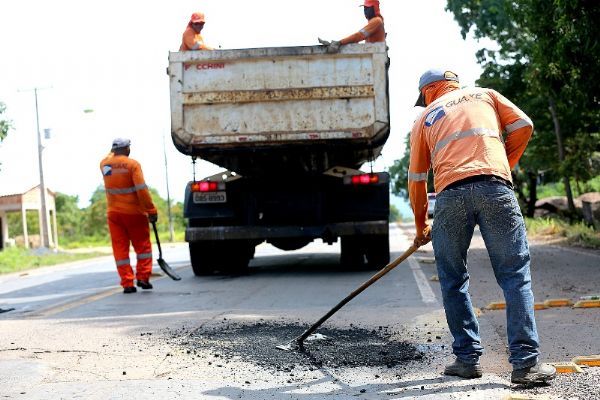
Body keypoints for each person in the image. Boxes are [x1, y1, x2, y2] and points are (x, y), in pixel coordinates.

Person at [408, 69, 556, 385]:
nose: (425, 102)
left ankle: (466, 359)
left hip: (451, 194)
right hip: (495, 187)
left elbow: (417, 180)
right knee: (515, 275)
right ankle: (526, 365)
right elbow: (523, 125)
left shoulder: (424, 120)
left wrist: (421, 225)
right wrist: (504, 165)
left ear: (431, 90)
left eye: (424, 96)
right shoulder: (486, 94)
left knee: (452, 278)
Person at [100, 138, 158, 294]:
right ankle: (143, 277)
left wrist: (113, 152)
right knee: (143, 247)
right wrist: (151, 210)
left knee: (120, 249)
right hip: (134, 213)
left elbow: (108, 158)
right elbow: (142, 189)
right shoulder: (133, 165)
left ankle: (127, 283)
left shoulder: (105, 165)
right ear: (127, 149)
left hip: (114, 215)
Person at [318, 0, 385, 54]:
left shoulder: (376, 21)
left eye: (368, 8)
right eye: (364, 8)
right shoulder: (375, 22)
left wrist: (339, 43)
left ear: (374, 8)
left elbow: (359, 35)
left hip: (376, 55)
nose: (365, 11)